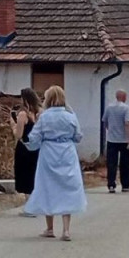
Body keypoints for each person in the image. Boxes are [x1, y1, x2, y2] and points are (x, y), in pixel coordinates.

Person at [22, 86, 87, 241]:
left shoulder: (44, 117)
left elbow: (34, 138)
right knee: (68, 188)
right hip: (67, 154)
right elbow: (78, 136)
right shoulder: (70, 116)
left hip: (49, 154)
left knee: (47, 187)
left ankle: (50, 228)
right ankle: (66, 230)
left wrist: (26, 143)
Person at [11, 88, 42, 217]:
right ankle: (35, 204)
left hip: (24, 147)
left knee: (24, 174)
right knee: (34, 174)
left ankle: (29, 207)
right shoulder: (39, 113)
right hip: (36, 147)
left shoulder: (23, 114)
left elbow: (18, 134)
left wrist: (13, 124)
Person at [102, 90, 129, 194]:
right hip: (123, 140)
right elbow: (127, 123)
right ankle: (125, 185)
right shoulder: (126, 108)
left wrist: (110, 130)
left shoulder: (109, 107)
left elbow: (105, 122)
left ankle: (111, 185)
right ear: (124, 97)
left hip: (111, 140)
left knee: (111, 163)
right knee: (125, 164)